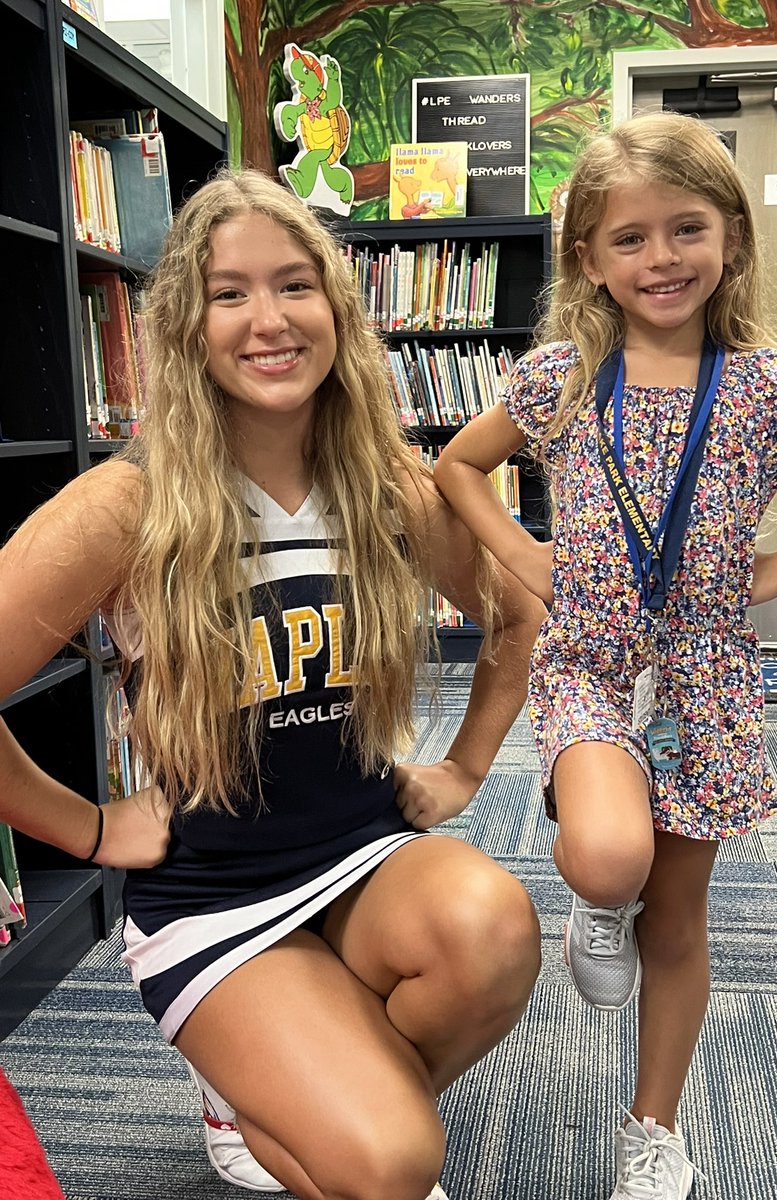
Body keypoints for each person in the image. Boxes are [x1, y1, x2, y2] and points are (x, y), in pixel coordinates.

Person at [0, 168, 547, 1200]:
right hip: (211, 892)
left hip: (358, 849)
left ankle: (307, 1086)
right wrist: (83, 826)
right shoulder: (127, 503)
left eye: (294, 285)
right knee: (394, 1163)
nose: (269, 320)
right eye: (229, 293)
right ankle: (275, 1083)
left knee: (495, 929)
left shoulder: (385, 481)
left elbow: (518, 609)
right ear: (186, 325)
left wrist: (469, 765)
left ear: (336, 308)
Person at [432, 111, 777, 1200]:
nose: (660, 259)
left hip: (705, 679)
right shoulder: (559, 378)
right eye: (628, 238)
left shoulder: (774, 382)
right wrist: (523, 554)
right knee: (608, 858)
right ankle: (599, 902)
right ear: (586, 258)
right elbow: (458, 466)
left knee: (679, 923)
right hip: (592, 661)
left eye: (684, 229)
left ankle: (656, 1129)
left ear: (732, 235)